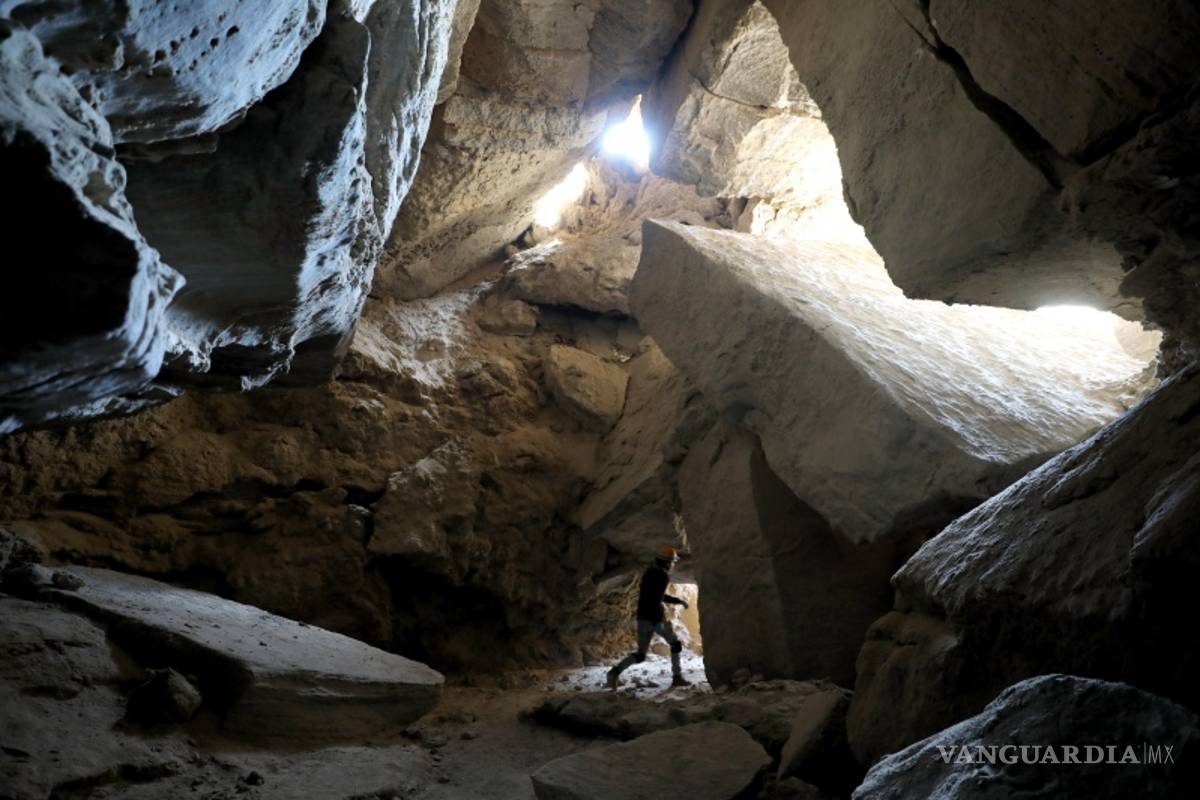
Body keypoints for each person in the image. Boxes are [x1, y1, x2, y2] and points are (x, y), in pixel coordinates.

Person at [606, 544, 691, 689]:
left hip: (642, 617)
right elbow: (658, 598)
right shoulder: (663, 576)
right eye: (672, 562)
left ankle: (614, 673)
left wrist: (677, 601)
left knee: (640, 655)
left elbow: (651, 596)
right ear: (667, 562)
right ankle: (677, 677)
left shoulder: (648, 573)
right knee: (675, 644)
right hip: (655, 619)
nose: (672, 565)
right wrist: (674, 606)